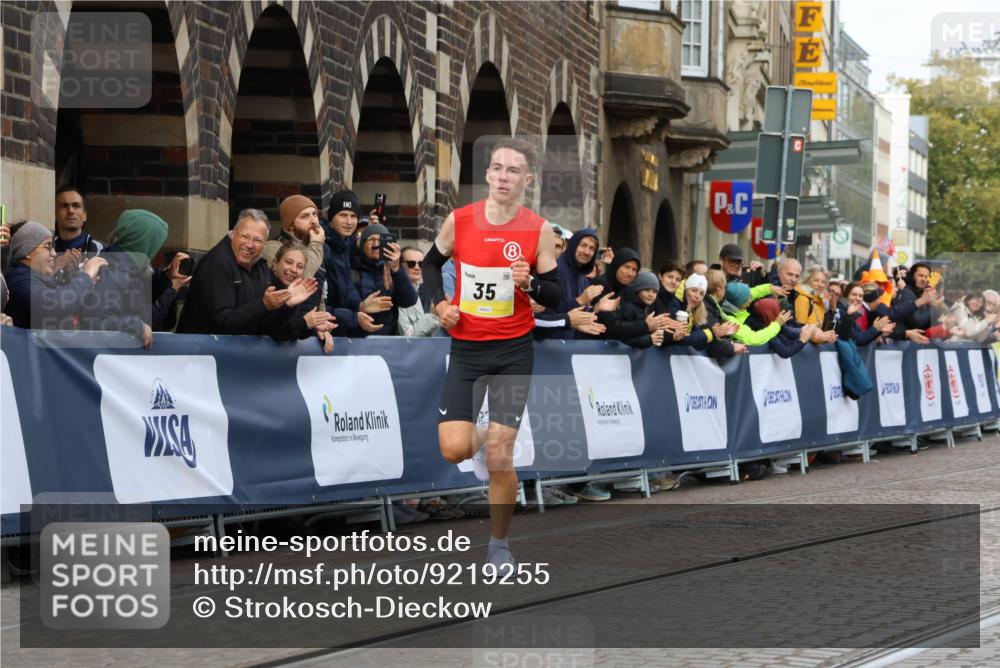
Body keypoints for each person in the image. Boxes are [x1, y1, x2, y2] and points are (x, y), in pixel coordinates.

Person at [420, 137, 561, 570]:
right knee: (454, 450)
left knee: (501, 453)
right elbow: (427, 266)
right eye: (497, 168)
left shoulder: (539, 230)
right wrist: (441, 305)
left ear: (527, 180)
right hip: (466, 349)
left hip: (514, 351)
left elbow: (557, 295)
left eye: (513, 170)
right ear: (486, 175)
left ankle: (499, 548)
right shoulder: (460, 221)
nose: (503, 176)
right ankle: (481, 440)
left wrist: (530, 284)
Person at [176, 209, 316, 335]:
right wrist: (264, 305)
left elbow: (269, 330)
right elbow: (224, 324)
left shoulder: (261, 267)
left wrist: (289, 305)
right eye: (244, 236)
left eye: (257, 240)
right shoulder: (218, 263)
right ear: (233, 233)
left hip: (238, 358)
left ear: (265, 244)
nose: (249, 245)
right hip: (202, 357)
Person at [78, 209, 190, 348]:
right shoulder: (116, 271)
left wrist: (165, 276)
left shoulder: (123, 265)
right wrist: (137, 325)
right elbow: (95, 320)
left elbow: (138, 295)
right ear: (145, 243)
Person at [4, 220, 106, 329]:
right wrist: (86, 276)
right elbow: (54, 305)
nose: (53, 253)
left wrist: (73, 277)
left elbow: (65, 301)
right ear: (27, 251)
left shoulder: (33, 278)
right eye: (47, 246)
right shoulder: (18, 280)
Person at [321, 192, 385, 336]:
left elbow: (346, 286)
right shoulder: (322, 246)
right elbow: (316, 306)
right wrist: (352, 317)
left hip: (338, 329)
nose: (349, 222)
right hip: (321, 333)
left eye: (353, 216)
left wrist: (360, 305)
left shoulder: (344, 244)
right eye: (343, 215)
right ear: (331, 219)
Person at [268, 241, 336, 352]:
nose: (294, 270)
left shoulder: (300, 293)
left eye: (300, 266)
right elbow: (274, 331)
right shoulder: (264, 287)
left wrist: (316, 329)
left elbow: (295, 329)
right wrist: (305, 322)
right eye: (289, 262)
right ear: (275, 263)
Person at [351, 223, 418, 336]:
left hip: (388, 341)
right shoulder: (352, 270)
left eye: (381, 240)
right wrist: (362, 306)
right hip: (358, 340)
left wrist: (397, 269)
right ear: (362, 244)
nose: (376, 244)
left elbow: (409, 301)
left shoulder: (392, 271)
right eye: (371, 239)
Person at [261, 195, 326, 279]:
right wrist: (316, 244)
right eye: (305, 216)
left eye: (314, 214)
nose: (314, 221)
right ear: (290, 225)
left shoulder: (316, 243)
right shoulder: (272, 247)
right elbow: (303, 275)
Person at [53, 187, 105, 268]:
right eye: (64, 206)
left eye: (76, 205)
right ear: (55, 214)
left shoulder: (100, 250)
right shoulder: (47, 249)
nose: (70, 211)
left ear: (84, 215)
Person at [396, 246, 440, 337]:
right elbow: (408, 337)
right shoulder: (398, 294)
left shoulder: (421, 290)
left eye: (421, 264)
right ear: (399, 265)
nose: (417, 267)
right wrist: (433, 316)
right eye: (411, 263)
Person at [794, 266, 838, 344]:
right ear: (807, 280)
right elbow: (800, 331)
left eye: (823, 282)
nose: (820, 285)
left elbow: (824, 329)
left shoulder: (819, 300)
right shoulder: (802, 299)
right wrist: (821, 338)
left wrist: (832, 309)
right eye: (816, 280)